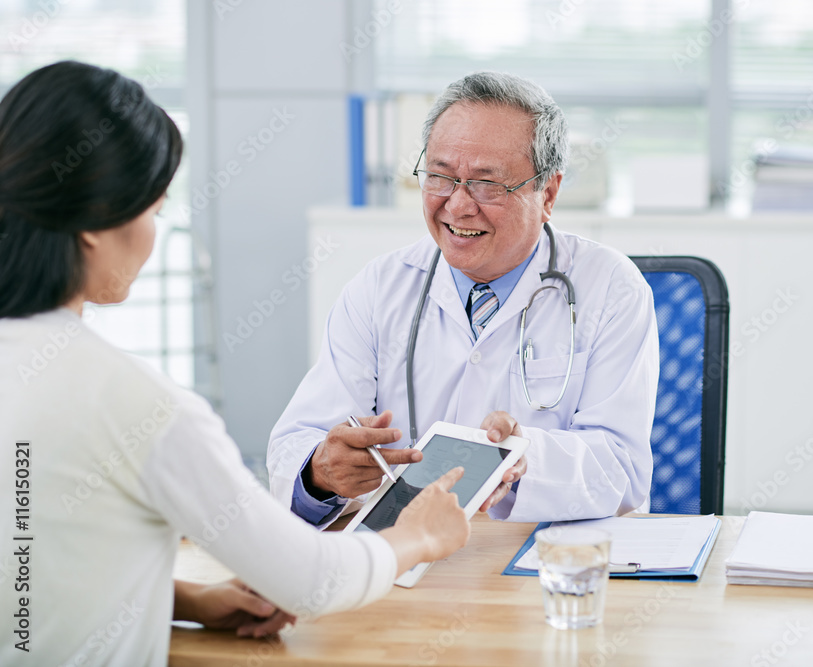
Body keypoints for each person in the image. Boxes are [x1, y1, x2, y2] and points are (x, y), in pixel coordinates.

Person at [0, 61, 470, 667]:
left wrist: (186, 599)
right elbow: (312, 581)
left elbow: (26, 569)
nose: (151, 234)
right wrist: (419, 535)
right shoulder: (139, 407)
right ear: (95, 225)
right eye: (155, 209)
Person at [268, 71, 658, 527]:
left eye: (486, 184)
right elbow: (299, 440)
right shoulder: (379, 289)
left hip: (541, 562)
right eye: (440, 176)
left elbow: (622, 471)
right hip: (403, 559)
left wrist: (524, 458)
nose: (457, 206)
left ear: (547, 192)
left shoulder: (611, 289)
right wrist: (319, 473)